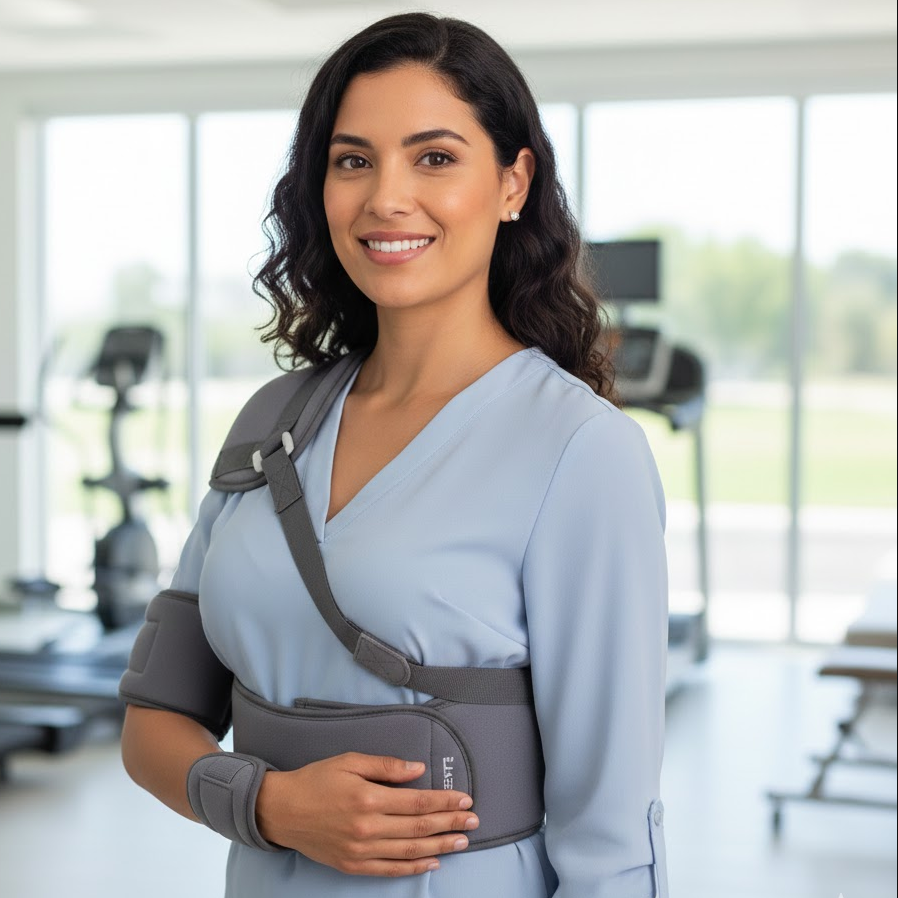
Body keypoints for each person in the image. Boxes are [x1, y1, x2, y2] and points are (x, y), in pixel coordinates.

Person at [121, 12, 669, 898]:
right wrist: (272, 807)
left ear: (512, 181)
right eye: (352, 160)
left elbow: (610, 829)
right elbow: (153, 724)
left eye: (435, 157)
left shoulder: (579, 451)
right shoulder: (273, 425)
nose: (385, 198)